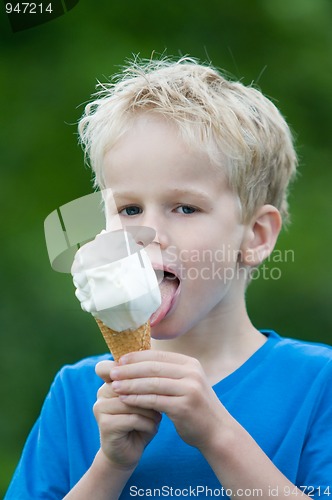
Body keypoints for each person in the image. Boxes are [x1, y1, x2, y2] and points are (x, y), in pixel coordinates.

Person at [5, 56, 332, 499]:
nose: (149, 233)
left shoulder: (318, 384)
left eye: (185, 208)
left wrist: (219, 436)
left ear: (255, 235)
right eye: (129, 209)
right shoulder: (77, 393)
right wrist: (110, 465)